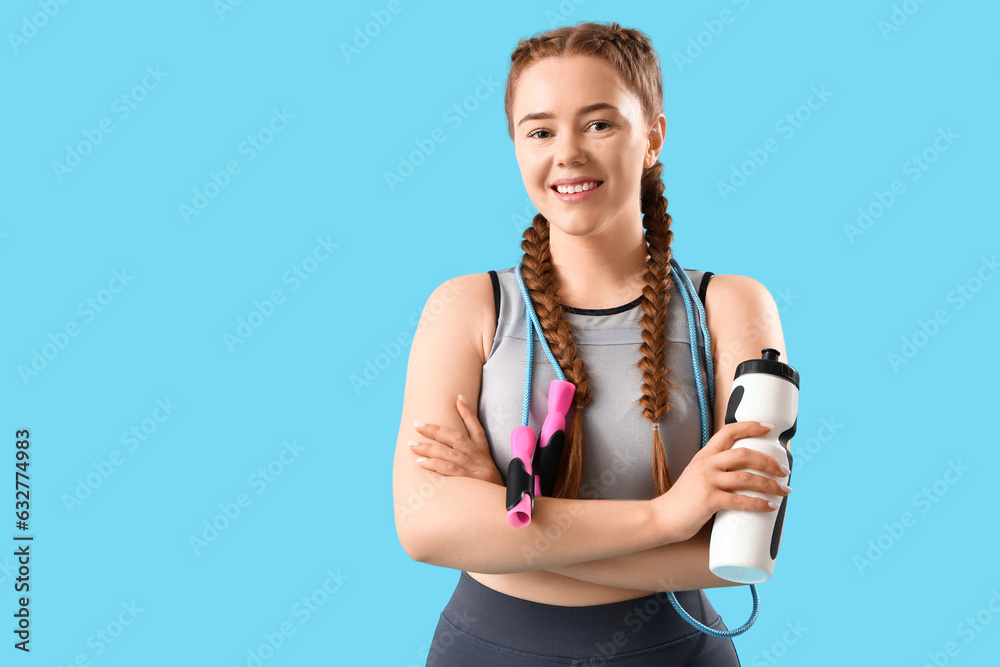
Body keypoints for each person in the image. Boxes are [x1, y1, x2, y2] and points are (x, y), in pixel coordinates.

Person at [392, 21, 792, 666]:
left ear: (654, 136)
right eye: (540, 131)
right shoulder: (465, 306)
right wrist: (669, 517)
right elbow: (425, 527)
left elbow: (738, 556)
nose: (568, 154)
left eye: (599, 124)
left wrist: (507, 528)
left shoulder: (732, 306)